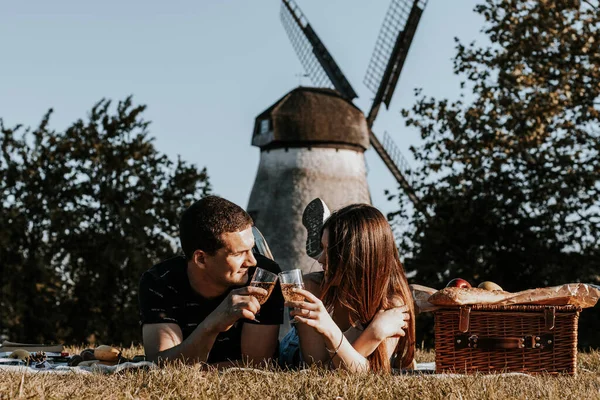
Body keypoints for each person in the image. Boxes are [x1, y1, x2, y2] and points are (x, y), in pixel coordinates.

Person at [138, 196, 284, 366]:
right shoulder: (160, 282)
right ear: (201, 259)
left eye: (251, 249)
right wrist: (212, 324)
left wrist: (192, 367)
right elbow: (159, 364)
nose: (252, 261)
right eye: (238, 254)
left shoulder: (263, 276)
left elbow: (256, 366)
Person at [280, 203, 415, 372]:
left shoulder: (391, 305)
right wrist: (373, 333)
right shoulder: (310, 288)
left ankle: (416, 297)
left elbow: (372, 371)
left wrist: (372, 331)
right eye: (322, 249)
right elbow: (319, 370)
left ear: (358, 256)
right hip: (294, 352)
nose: (320, 259)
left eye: (330, 252)